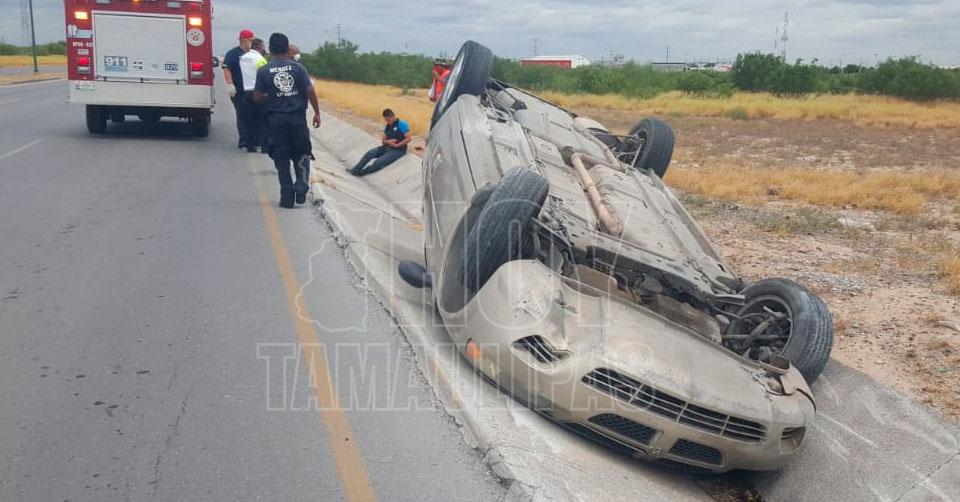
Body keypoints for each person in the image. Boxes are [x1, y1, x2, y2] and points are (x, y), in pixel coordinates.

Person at [253, 33, 321, 208]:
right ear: (286, 48)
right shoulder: (299, 68)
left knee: (281, 158)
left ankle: (287, 197)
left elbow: (257, 97)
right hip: (297, 119)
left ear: (271, 49)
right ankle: (302, 185)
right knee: (302, 152)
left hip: (276, 121)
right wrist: (317, 113)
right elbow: (310, 91)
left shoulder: (263, 71)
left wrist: (270, 95)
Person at [349, 109, 411, 176]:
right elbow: (383, 141)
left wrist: (397, 145)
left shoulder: (402, 124)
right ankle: (355, 170)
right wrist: (388, 142)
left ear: (393, 116)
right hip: (387, 147)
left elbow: (408, 139)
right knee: (370, 153)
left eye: (388, 120)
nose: (387, 122)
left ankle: (362, 173)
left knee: (378, 162)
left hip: (397, 150)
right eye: (386, 120)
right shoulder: (388, 126)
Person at [222, 29, 254, 148]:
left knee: (252, 114)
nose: (251, 43)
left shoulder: (253, 54)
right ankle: (244, 139)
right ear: (244, 41)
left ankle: (253, 139)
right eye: (250, 40)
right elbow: (227, 69)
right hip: (239, 90)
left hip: (252, 89)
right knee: (242, 114)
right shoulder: (233, 54)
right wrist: (230, 84)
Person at [239, 38, 268, 153]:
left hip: (247, 91)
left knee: (249, 121)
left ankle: (250, 146)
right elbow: (264, 74)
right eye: (264, 47)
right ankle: (264, 146)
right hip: (259, 93)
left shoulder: (243, 58)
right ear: (260, 47)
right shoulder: (260, 59)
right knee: (263, 120)